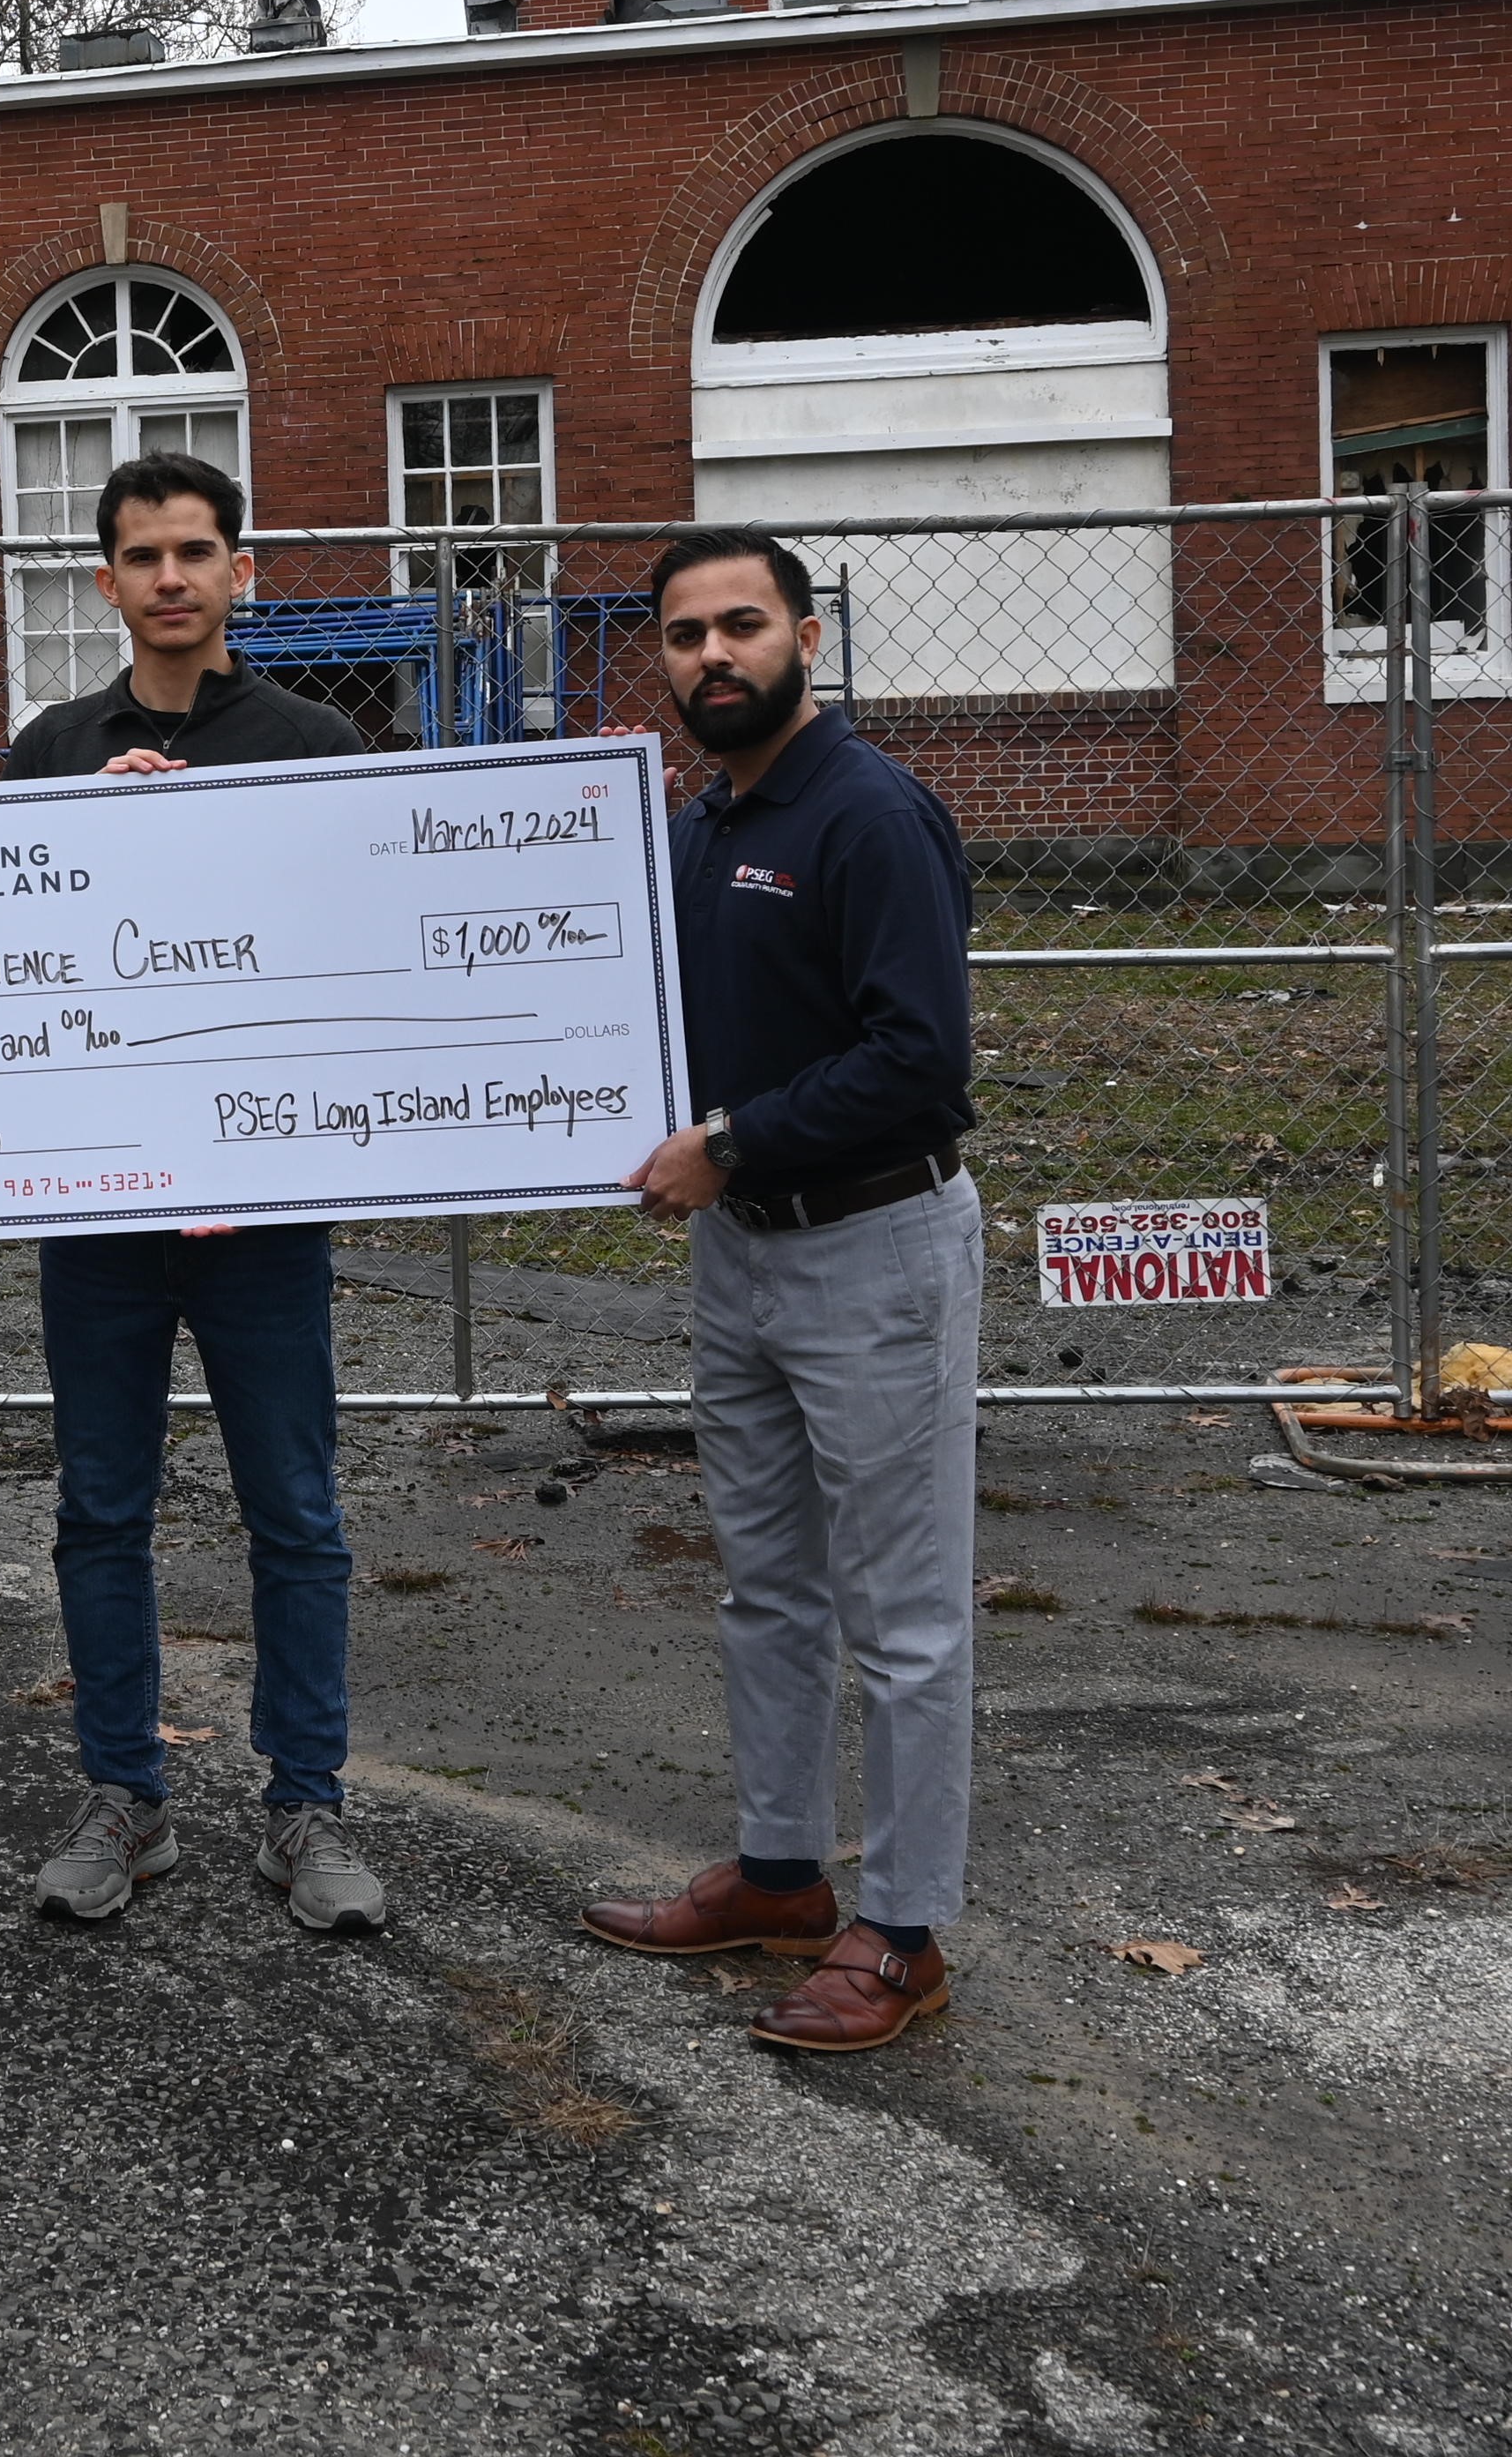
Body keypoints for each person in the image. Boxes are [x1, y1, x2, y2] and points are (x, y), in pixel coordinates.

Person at [582, 527, 984, 2051]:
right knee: (767, 1584)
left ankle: (904, 1932)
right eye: (684, 637)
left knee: (906, 1616)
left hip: (874, 1250)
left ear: (807, 637)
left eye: (741, 626)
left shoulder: (870, 815)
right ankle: (778, 1874)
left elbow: (916, 1058)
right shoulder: (698, 827)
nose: (711, 657)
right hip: (742, 1250)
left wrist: (734, 1141)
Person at [3, 450, 387, 1936]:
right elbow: (8, 963)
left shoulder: (312, 741)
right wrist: (87, 829)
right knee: (101, 1510)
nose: (172, 577)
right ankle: (126, 1799)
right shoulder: (49, 750)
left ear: (242, 573)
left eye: (197, 552)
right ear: (106, 583)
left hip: (263, 1216)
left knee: (295, 1510)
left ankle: (309, 1807)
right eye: (144, 556)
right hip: (101, 1217)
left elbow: (358, 954)